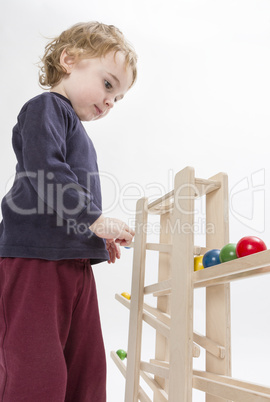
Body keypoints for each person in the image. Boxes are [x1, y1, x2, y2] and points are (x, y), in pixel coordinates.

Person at [0, 21, 137, 402]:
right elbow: (46, 172)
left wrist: (95, 232)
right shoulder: (44, 108)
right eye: (108, 85)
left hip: (72, 262)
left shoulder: (77, 131)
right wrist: (94, 219)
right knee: (35, 367)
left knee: (87, 367)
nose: (110, 101)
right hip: (34, 259)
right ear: (69, 60)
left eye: (118, 98)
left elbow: (72, 194)